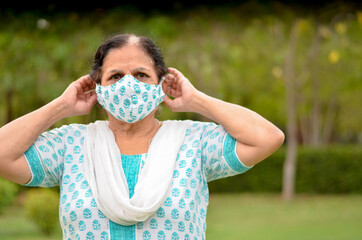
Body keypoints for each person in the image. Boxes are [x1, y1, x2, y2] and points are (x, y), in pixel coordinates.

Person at [0, 33, 284, 240]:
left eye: (140, 74)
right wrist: (60, 107)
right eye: (115, 76)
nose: (128, 85)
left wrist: (197, 101)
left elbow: (267, 138)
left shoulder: (192, 143)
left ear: (161, 84)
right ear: (97, 87)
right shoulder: (71, 145)